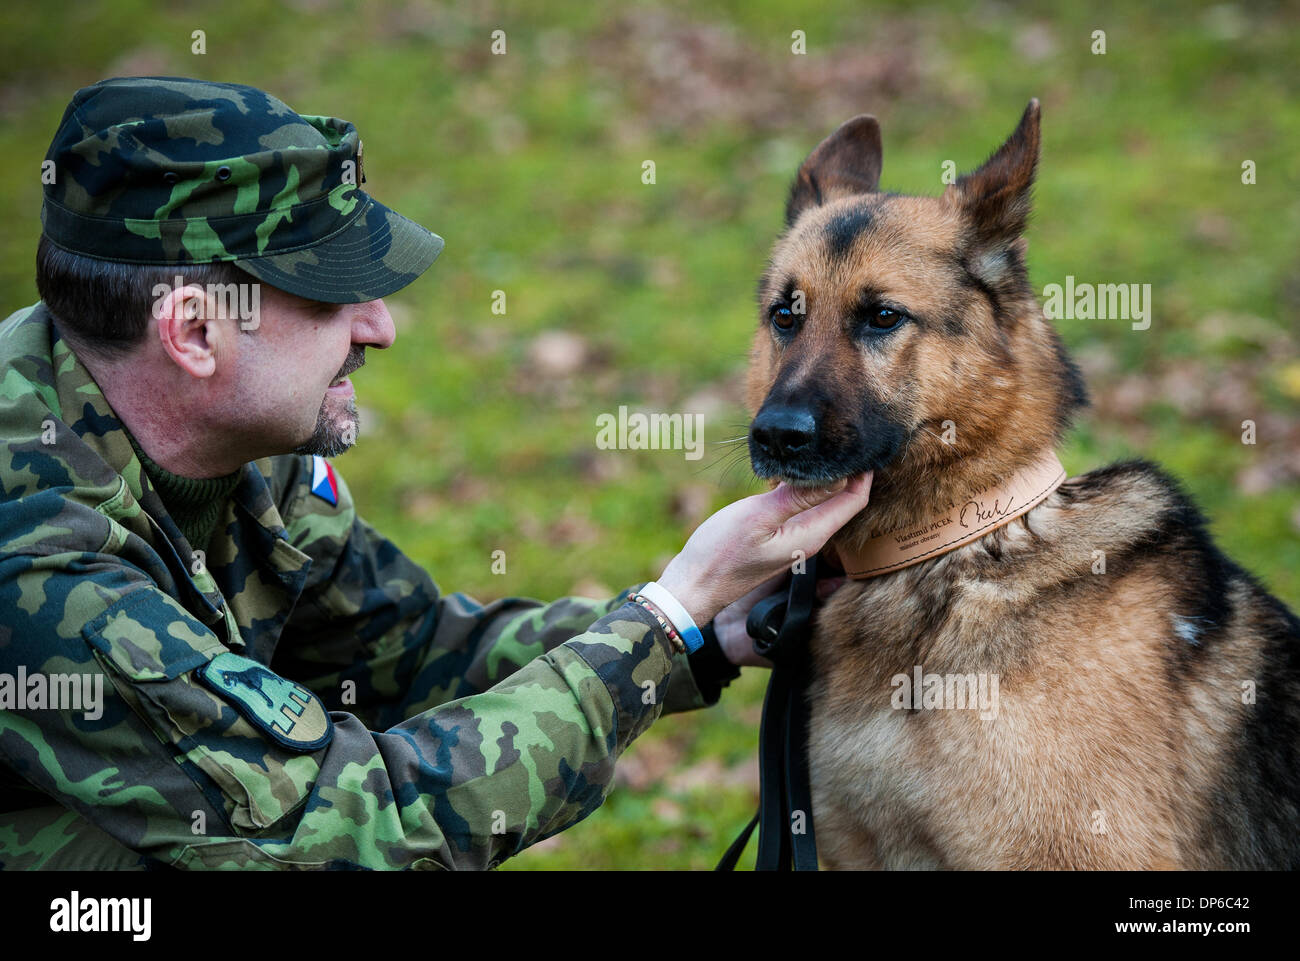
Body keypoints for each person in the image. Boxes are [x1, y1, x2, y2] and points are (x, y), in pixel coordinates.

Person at [0, 77, 872, 870]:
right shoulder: (41, 558)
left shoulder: (247, 455)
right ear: (193, 333)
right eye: (334, 293)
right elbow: (333, 830)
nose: (379, 327)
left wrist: (707, 628)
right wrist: (666, 609)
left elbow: (408, 651)